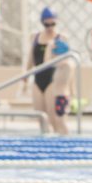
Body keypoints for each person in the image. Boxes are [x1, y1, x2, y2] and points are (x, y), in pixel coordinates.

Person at [24, 7, 72, 135]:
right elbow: (30, 59)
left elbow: (66, 64)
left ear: (56, 22)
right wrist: (25, 78)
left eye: (53, 24)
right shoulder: (34, 37)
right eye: (47, 24)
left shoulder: (61, 38)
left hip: (52, 80)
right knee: (41, 118)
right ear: (42, 22)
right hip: (37, 79)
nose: (50, 27)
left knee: (53, 119)